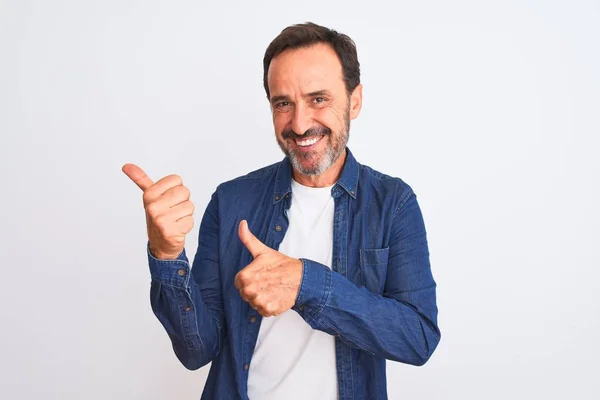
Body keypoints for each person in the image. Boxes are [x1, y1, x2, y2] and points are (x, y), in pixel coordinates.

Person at [122, 22, 440, 400]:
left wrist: (307, 284)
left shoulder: (393, 203)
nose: (300, 123)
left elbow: (418, 339)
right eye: (283, 103)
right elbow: (196, 351)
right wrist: (166, 254)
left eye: (318, 99)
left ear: (354, 100)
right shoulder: (231, 201)